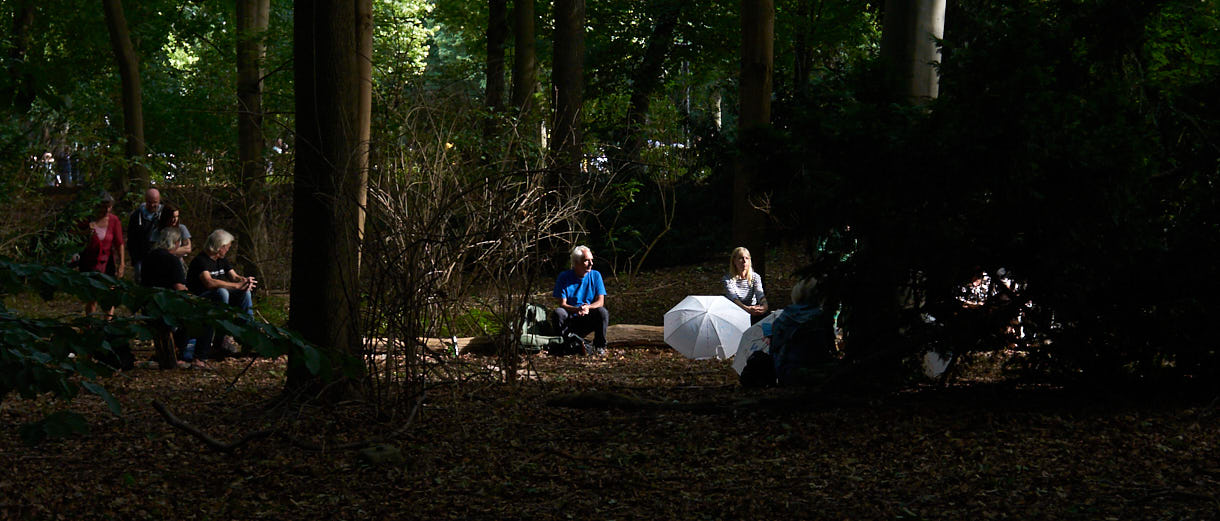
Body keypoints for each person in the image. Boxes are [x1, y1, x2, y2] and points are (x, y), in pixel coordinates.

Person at [187, 229, 257, 360]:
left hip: (220, 301)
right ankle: (222, 334)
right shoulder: (200, 260)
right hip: (201, 300)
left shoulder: (222, 260)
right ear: (220, 247)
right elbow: (209, 282)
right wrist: (236, 286)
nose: (228, 250)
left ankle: (249, 338)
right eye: (227, 247)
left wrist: (244, 281)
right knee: (222, 292)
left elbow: (234, 276)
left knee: (245, 293)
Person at [140, 227, 194, 368]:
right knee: (191, 314)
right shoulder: (173, 260)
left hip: (148, 304)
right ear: (176, 243)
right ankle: (181, 352)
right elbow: (179, 287)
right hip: (168, 306)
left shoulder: (148, 257)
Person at [551, 245, 609, 356]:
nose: (591, 263)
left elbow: (600, 301)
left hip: (588, 317)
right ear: (576, 263)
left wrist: (587, 307)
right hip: (571, 318)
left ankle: (600, 346)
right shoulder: (564, 277)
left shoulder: (596, 275)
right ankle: (563, 345)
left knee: (602, 312)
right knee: (558, 313)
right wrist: (576, 309)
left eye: (592, 260)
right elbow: (562, 304)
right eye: (587, 261)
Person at [77, 191, 126, 318]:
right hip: (89, 263)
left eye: (109, 206)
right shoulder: (87, 219)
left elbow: (119, 243)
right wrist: (87, 232)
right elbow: (75, 238)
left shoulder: (114, 220)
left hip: (107, 262)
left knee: (109, 295)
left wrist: (122, 263)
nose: (106, 209)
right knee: (91, 297)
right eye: (104, 206)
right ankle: (90, 323)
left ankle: (107, 323)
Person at [127, 188, 162, 283]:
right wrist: (134, 258)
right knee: (140, 280)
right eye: (149, 202)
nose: (152, 205)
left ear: (159, 201)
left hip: (159, 256)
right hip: (140, 256)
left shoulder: (163, 215)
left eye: (155, 202)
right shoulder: (136, 215)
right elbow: (131, 238)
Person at [723, 247, 768, 321]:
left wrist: (764, 306)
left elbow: (760, 294)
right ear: (734, 261)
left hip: (753, 310)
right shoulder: (727, 279)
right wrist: (746, 309)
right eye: (741, 258)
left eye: (747, 258)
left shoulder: (755, 277)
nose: (744, 261)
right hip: (735, 311)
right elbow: (734, 298)